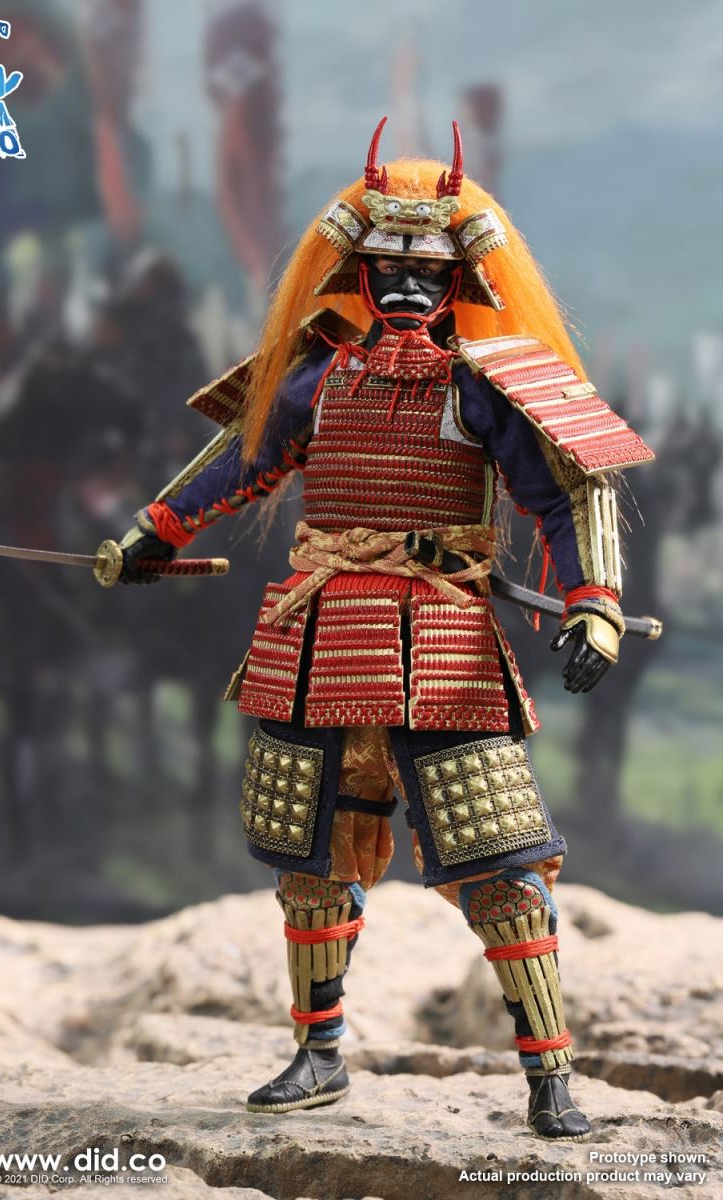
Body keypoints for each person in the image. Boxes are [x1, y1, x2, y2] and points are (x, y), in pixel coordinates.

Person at [112, 119, 654, 1140]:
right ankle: (317, 1053)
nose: (405, 286)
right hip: (317, 635)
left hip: (441, 642)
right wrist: (158, 527)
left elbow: (562, 491)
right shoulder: (316, 374)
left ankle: (549, 1076)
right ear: (357, 274)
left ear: (458, 282)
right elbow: (245, 458)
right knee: (311, 860)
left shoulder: (484, 382)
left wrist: (595, 602)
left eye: (426, 272)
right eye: (388, 269)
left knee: (499, 860)